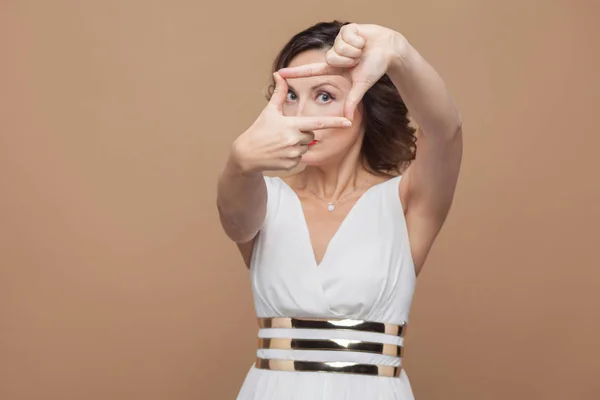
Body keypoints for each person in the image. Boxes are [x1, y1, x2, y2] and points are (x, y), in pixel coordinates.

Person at [216, 20, 462, 399]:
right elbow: (235, 220)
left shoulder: (405, 200)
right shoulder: (264, 195)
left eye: (325, 96)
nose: (302, 117)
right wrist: (239, 162)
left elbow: (444, 131)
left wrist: (397, 50)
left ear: (365, 106)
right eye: (292, 96)